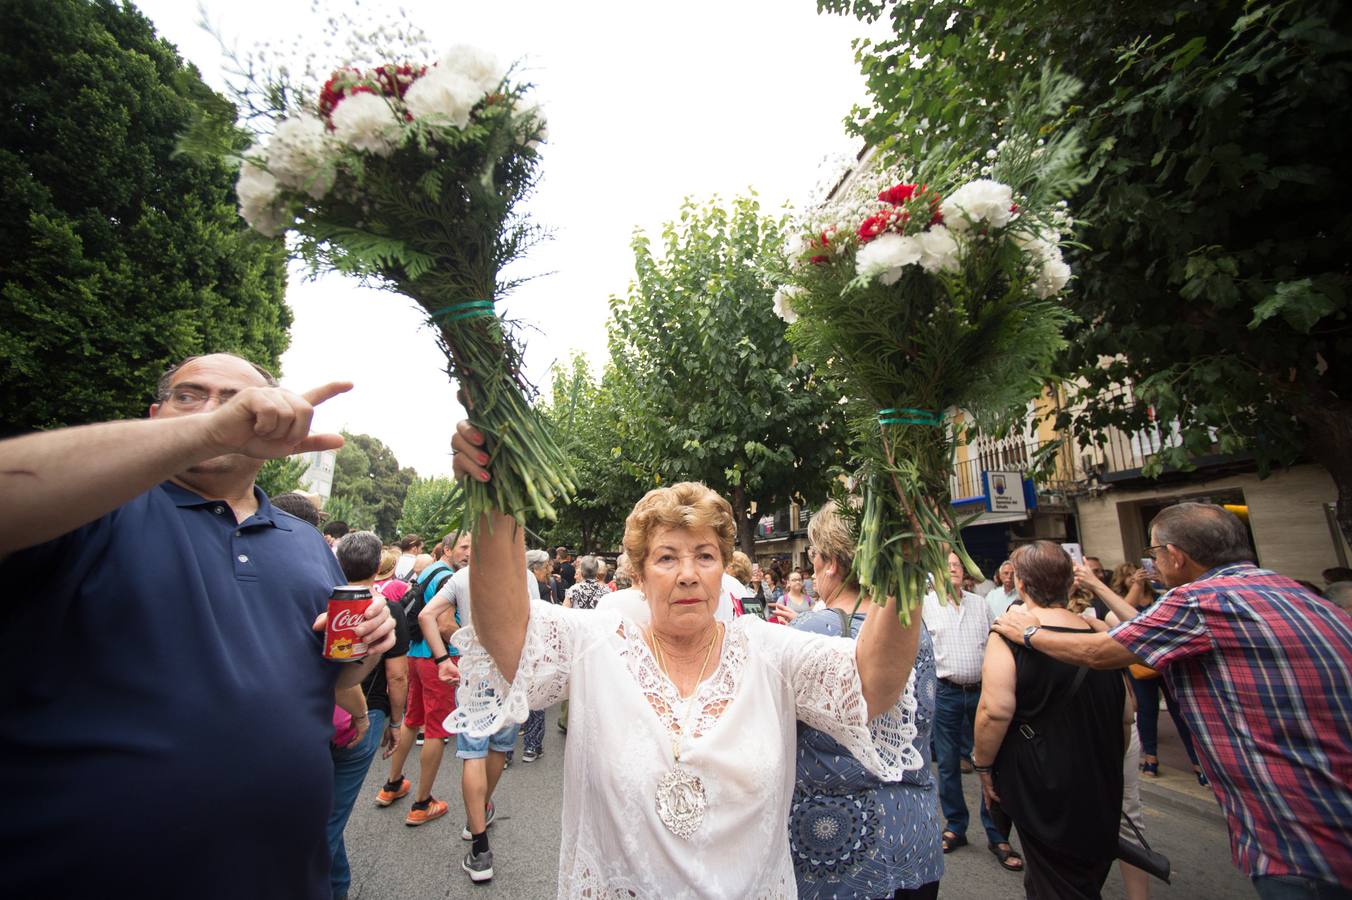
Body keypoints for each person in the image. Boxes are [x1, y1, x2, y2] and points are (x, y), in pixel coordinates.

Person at [447, 420, 926, 896]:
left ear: (724, 569)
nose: (688, 574)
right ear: (639, 573)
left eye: (705, 556)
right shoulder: (597, 645)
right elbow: (508, 632)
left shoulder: (770, 652)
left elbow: (872, 684)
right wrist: (496, 498)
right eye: (667, 558)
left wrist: (907, 539)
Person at [0, 352, 395, 899]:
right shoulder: (86, 510)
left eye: (237, 402)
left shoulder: (305, 541)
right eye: (190, 396)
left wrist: (367, 647)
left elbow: (334, 682)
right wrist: (204, 433)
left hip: (284, 873)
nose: (214, 410)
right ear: (153, 415)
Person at [993, 502, 1352, 898]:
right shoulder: (1291, 591)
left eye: (1154, 553)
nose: (1153, 563)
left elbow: (1099, 653)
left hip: (1297, 835)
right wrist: (1097, 590)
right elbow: (1142, 630)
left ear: (1176, 556)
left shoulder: (1201, 602)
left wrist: (1028, 632)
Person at [788, 502, 943, 899]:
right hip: (915, 835)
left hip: (837, 848)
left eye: (813, 556)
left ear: (832, 564)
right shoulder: (913, 627)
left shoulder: (810, 630)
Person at [973, 542, 1126, 899]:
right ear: (1070, 585)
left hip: (1042, 780)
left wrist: (983, 764)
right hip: (1100, 776)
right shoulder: (1099, 634)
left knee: (1050, 883)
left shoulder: (1009, 634)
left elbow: (993, 710)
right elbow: (1126, 715)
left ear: (1022, 586)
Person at [420, 562, 536, 884]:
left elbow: (425, 615)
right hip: (511, 676)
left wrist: (443, 660)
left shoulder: (461, 576)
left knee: (473, 753)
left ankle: (480, 847)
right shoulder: (523, 575)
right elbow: (537, 624)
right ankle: (479, 812)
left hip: (474, 675)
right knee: (499, 747)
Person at [925, 550, 1022, 873]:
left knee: (988, 763)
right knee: (949, 764)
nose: (952, 569)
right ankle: (955, 825)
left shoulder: (980, 604)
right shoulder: (927, 605)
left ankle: (996, 832)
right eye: (947, 565)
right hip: (946, 693)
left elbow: (994, 644)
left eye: (956, 565)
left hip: (980, 692)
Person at [329, 532, 410, 900]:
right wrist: (396, 723)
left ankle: (338, 887)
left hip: (315, 714)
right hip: (365, 714)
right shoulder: (388, 610)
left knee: (326, 813)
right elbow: (396, 675)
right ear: (378, 566)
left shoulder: (323, 598)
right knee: (330, 819)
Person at [1076, 563, 1207, 784]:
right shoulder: (1108, 599)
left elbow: (1135, 625)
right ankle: (1151, 758)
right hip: (1135, 670)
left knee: (1178, 711)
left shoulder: (1160, 596)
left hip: (1162, 664)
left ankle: (1198, 762)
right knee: (1147, 710)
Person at [376, 532, 460, 820]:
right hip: (438, 658)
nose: (470, 552)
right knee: (436, 730)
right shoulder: (449, 577)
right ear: (448, 549)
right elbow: (445, 624)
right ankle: (422, 803)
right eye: (464, 547)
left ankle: (393, 783)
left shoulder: (429, 568)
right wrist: (471, 643)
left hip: (414, 651)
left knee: (412, 719)